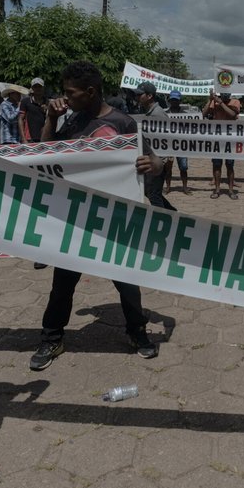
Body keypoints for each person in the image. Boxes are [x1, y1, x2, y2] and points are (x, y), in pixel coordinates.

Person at [31, 61, 163, 371]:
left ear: (90, 92)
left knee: (127, 283)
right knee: (62, 285)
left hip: (114, 221)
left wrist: (151, 165)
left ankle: (137, 333)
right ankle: (52, 338)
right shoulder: (72, 121)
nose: (65, 98)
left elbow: (156, 162)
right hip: (75, 221)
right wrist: (51, 117)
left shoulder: (124, 123)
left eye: (70, 93)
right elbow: (44, 151)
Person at [135, 81, 175, 210]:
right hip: (153, 160)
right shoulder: (148, 112)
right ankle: (173, 213)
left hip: (158, 162)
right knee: (151, 192)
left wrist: (165, 160)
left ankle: (165, 220)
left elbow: (168, 137)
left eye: (140, 95)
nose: (137, 97)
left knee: (153, 194)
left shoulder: (157, 114)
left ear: (149, 96)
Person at [203, 91, 240, 199]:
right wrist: (210, 100)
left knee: (230, 165)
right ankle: (217, 189)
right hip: (217, 138)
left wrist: (221, 103)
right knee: (216, 165)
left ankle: (231, 190)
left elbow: (233, 115)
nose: (224, 94)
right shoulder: (214, 102)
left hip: (230, 138)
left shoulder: (235, 102)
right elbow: (204, 114)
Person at [163, 90, 191, 195]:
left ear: (180, 101)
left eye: (176, 100)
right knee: (168, 167)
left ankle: (185, 187)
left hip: (181, 144)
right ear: (170, 101)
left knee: (183, 167)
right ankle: (168, 187)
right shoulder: (164, 114)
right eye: (172, 100)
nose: (174, 102)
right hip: (169, 145)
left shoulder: (186, 115)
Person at [18, 78, 48, 143]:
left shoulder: (47, 102)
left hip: (44, 138)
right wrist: (23, 138)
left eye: (39, 86)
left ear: (43, 88)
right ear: (32, 88)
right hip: (29, 139)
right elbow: (20, 119)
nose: (37, 88)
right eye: (35, 86)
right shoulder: (25, 101)